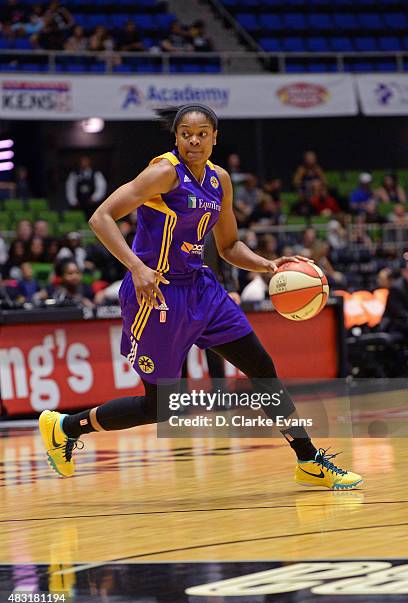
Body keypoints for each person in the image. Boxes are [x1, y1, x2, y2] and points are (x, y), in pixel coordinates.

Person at [38, 103, 362, 490]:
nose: (194, 140)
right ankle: (65, 428)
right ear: (175, 137)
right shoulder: (163, 172)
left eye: (202, 133)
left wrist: (267, 265)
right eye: (186, 133)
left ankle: (309, 460)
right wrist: (136, 268)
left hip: (202, 288)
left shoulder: (219, 180)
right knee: (159, 407)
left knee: (261, 366)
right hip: (158, 293)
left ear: (214, 138)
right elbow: (101, 217)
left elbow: (228, 245)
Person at [65, 155, 107, 220]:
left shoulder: (96, 173)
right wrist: (73, 201)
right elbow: (70, 188)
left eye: (85, 161)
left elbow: (101, 187)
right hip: (78, 203)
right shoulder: (74, 174)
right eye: (82, 161)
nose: (83, 163)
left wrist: (95, 198)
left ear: (89, 162)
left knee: (93, 220)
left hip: (92, 204)